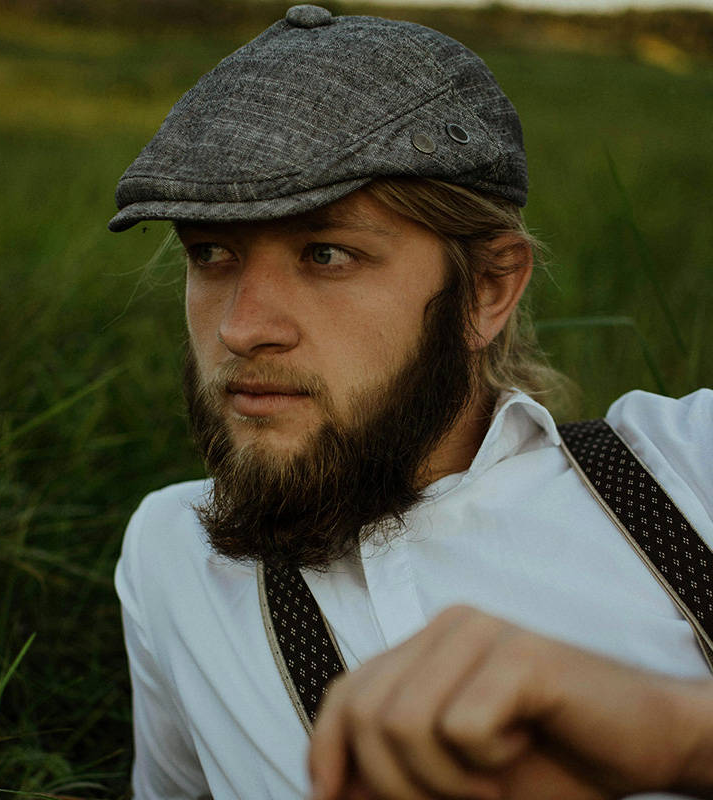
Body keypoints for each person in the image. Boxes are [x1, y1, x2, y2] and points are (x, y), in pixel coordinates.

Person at [109, 5, 713, 799]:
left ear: (488, 289)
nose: (241, 327)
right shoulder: (174, 558)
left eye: (326, 253)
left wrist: (677, 734)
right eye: (211, 252)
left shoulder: (686, 467)